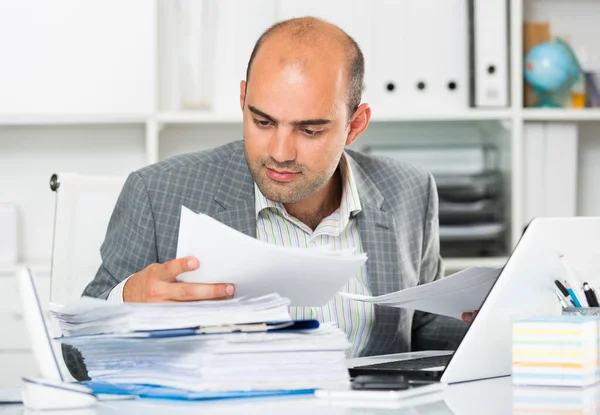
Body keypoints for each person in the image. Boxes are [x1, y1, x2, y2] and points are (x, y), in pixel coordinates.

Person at [69, 16, 469, 379]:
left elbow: (423, 329)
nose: (280, 152)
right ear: (243, 99)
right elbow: (76, 357)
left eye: (310, 130)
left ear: (355, 125)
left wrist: (492, 320)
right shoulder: (157, 193)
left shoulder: (410, 190)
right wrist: (127, 302)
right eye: (262, 121)